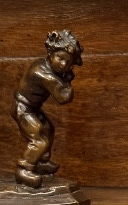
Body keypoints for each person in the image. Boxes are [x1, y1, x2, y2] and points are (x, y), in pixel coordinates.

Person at [12, 30, 82, 187]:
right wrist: (68, 81)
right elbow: (63, 97)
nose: (64, 64)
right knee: (39, 138)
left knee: (48, 129)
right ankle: (24, 169)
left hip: (33, 108)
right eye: (60, 58)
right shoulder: (42, 74)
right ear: (50, 52)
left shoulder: (47, 67)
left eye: (68, 62)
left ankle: (42, 162)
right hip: (22, 108)